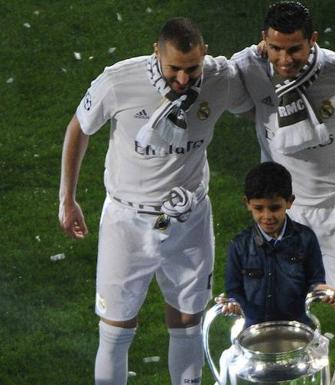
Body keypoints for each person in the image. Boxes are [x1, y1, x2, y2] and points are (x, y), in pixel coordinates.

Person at [58, 17, 251, 385]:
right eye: (174, 69)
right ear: (156, 53)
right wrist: (67, 198)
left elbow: (257, 97)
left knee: (188, 322)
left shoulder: (220, 79)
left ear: (204, 54)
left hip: (190, 219)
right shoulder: (119, 80)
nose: (182, 80)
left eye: (192, 69)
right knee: (116, 327)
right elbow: (78, 129)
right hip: (127, 222)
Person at [231, 2, 335, 383]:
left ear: (312, 41)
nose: (284, 59)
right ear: (263, 41)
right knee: (279, 316)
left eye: (295, 49)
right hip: (285, 217)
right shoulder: (249, 68)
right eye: (276, 48)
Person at [224, 161, 335, 327]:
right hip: (254, 331)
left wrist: (323, 292)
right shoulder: (238, 246)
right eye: (259, 208)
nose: (267, 216)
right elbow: (234, 290)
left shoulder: (305, 239)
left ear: (289, 201)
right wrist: (232, 303)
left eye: (274, 208)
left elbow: (315, 282)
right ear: (247, 203)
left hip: (297, 329)